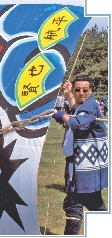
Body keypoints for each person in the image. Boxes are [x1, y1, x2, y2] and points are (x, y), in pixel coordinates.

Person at [52, 75, 108, 235]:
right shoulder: (86, 105)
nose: (81, 93)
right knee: (94, 203)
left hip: (82, 170)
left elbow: (79, 123)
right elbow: (77, 112)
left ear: (91, 90)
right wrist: (69, 95)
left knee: (73, 204)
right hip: (86, 168)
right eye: (78, 90)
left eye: (85, 90)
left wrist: (61, 115)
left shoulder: (89, 106)